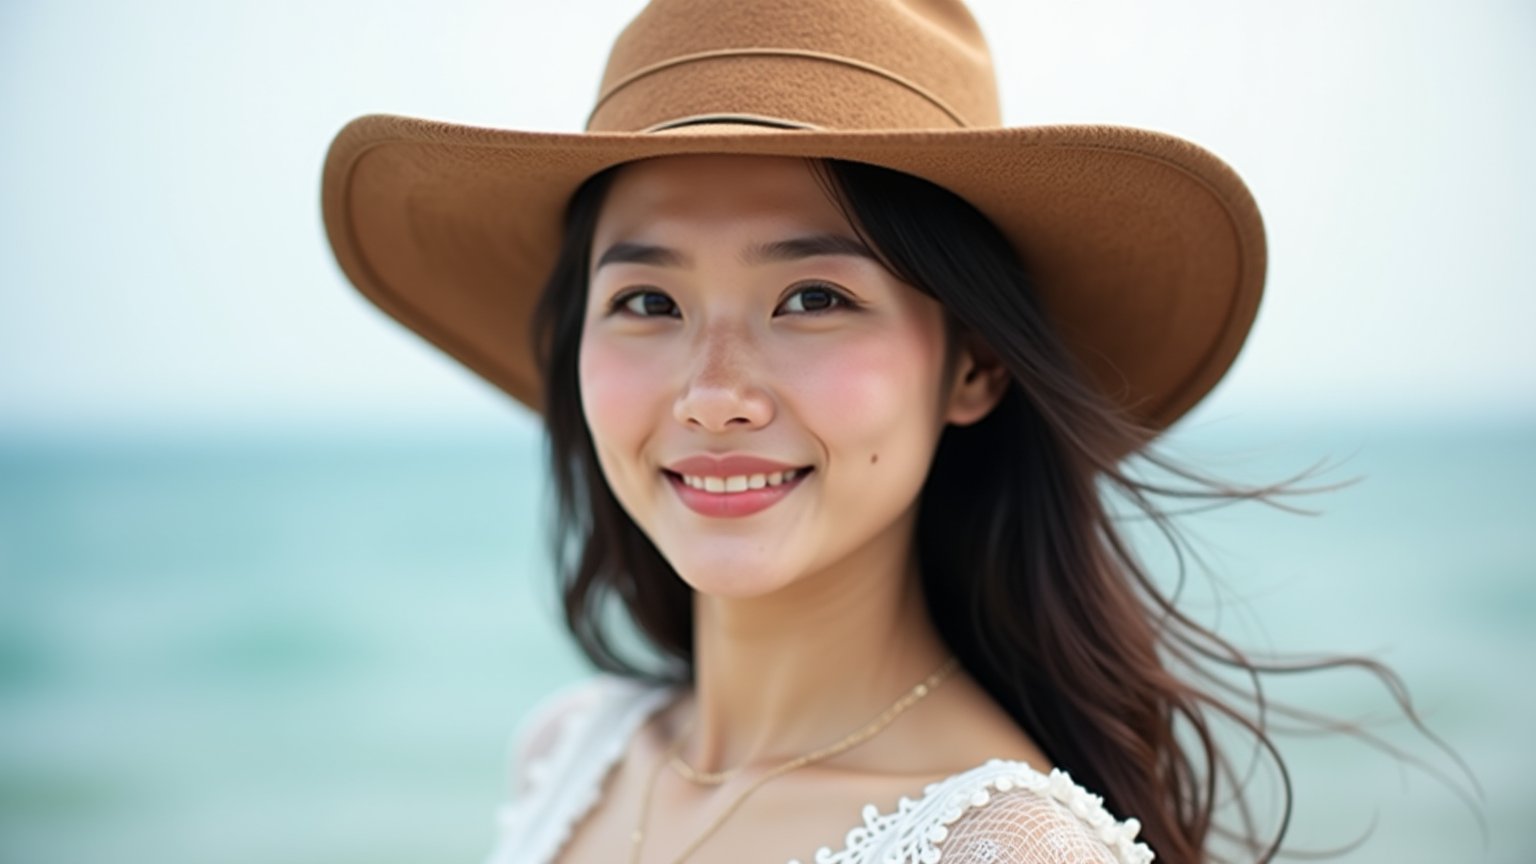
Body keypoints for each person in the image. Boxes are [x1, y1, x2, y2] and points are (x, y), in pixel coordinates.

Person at [319, 1, 1463, 862]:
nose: (714, 392)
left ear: (973, 363)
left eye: (814, 297)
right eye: (647, 303)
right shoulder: (573, 752)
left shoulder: (1001, 850)